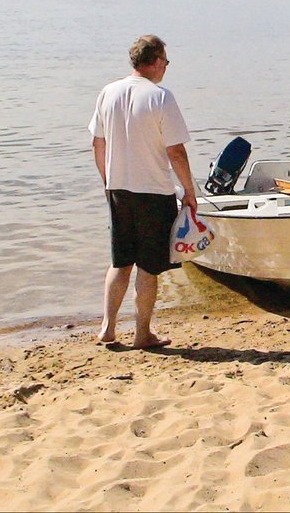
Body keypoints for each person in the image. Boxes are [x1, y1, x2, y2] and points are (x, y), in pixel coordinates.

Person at [88, 34, 197, 349]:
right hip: (153, 191)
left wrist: (107, 181)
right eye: (166, 61)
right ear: (158, 60)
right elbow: (176, 151)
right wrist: (189, 191)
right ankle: (142, 334)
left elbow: (98, 143)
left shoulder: (108, 92)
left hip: (118, 189)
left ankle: (107, 329)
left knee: (120, 261)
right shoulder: (161, 97)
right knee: (149, 267)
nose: (166, 68)